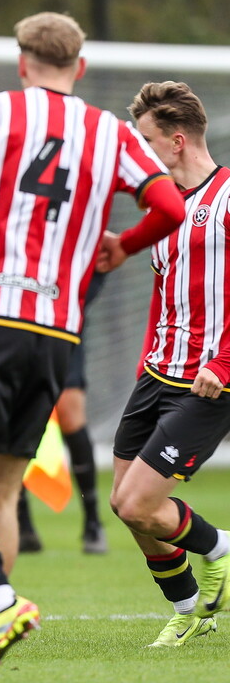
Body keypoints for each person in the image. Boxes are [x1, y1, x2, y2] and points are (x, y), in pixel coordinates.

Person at [0, 12, 186, 683]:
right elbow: (167, 208)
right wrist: (121, 247)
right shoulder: (111, 134)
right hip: (57, 335)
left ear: (23, 63)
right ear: (79, 68)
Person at [108, 81, 230, 648]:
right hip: (156, 373)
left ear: (177, 141)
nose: (140, 154)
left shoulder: (226, 197)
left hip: (208, 383)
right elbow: (164, 291)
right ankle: (190, 610)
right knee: (124, 506)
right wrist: (143, 362)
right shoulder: (162, 205)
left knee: (140, 501)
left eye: (148, 141)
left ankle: (220, 550)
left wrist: (224, 364)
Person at [17, 271, 108, 555]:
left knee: (71, 415)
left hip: (62, 325)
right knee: (15, 421)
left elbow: (100, 262)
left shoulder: (76, 230)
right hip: (15, 328)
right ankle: (21, 523)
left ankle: (93, 521)